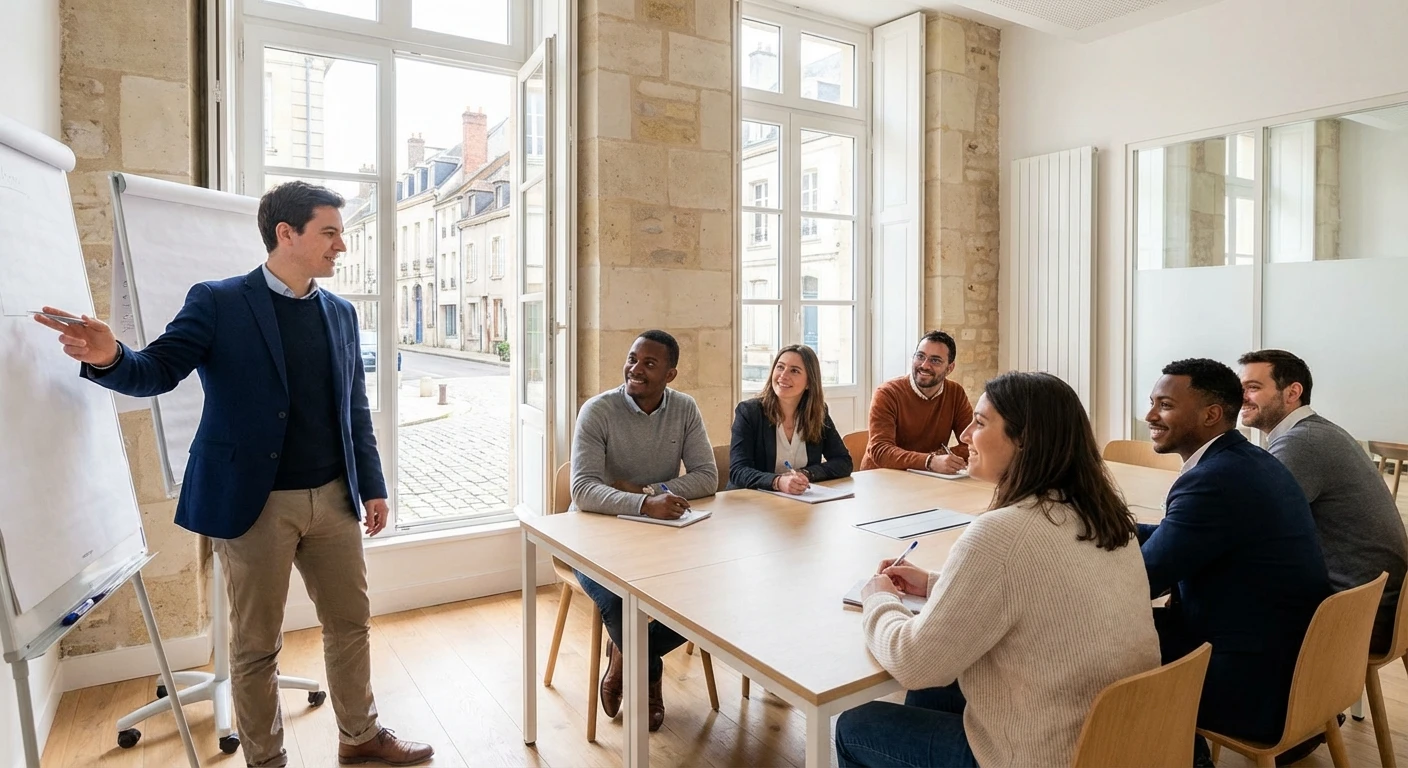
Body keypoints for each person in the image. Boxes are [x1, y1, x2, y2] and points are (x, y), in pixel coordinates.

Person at [33, 181, 432, 767]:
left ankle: (360, 737)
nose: (342, 245)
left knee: (350, 623)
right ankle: (266, 760)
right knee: (255, 646)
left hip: (336, 501)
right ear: (286, 234)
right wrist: (111, 357)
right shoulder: (218, 302)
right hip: (255, 504)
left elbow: (354, 410)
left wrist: (371, 485)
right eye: (330, 232)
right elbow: (158, 370)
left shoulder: (341, 314)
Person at [834, 372, 1159, 768]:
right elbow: (1039, 592)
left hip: (1043, 754)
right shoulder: (1106, 517)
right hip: (1121, 740)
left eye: (981, 422)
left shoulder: (1001, 533)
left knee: (856, 725)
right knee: (937, 690)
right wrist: (937, 583)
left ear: (1023, 440)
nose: (966, 435)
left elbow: (913, 663)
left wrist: (878, 598)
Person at [1140, 358, 1330, 762]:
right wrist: (1113, 529)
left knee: (1095, 645)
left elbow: (1140, 580)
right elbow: (1182, 538)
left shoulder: (1211, 481)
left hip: (1249, 686)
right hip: (1290, 667)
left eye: (1165, 405)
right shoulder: (1248, 461)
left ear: (1210, 415)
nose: (1150, 415)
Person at [569, 329, 718, 731]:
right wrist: (642, 505)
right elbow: (583, 490)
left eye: (649, 363)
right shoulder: (597, 411)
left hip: (664, 537)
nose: (635, 369)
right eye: (632, 358)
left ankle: (623, 656)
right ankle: (649, 674)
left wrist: (651, 492)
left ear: (670, 374)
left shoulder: (684, 408)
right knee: (620, 604)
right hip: (591, 538)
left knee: (710, 592)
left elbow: (707, 476)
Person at [1239, 349, 1408, 653]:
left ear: (1293, 392)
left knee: (1216, 612)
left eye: (1253, 387)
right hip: (1381, 605)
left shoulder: (1300, 444)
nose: (1243, 397)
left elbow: (1252, 529)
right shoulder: (1316, 432)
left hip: (1358, 618)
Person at [728, 344, 851, 492]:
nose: (783, 376)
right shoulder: (749, 412)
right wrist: (777, 482)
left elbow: (843, 462)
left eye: (794, 371)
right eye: (780, 367)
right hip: (750, 503)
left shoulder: (818, 412)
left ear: (809, 382)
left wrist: (806, 474)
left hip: (796, 502)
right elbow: (738, 471)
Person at [860, 331, 973, 473]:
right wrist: (930, 461)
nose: (925, 365)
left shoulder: (955, 393)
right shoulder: (887, 393)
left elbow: (972, 444)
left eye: (935, 360)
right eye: (920, 356)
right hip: (882, 477)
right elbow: (880, 451)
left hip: (927, 477)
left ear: (950, 368)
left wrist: (935, 459)